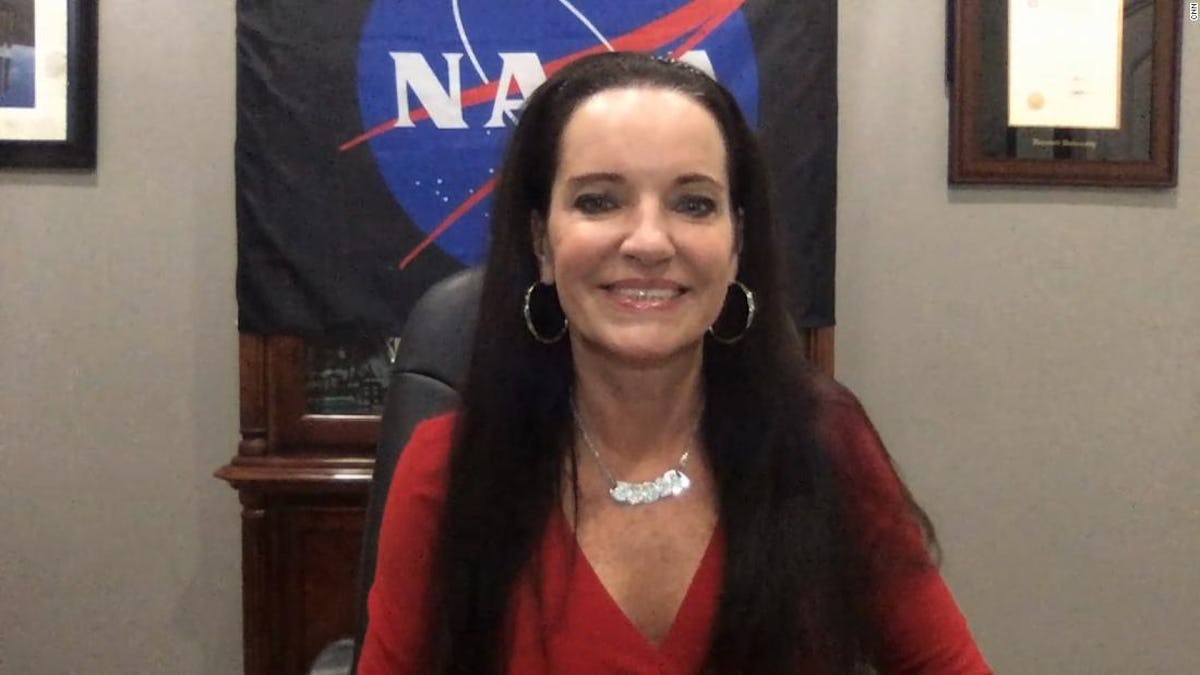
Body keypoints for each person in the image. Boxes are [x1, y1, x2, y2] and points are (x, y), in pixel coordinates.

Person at [358, 51, 991, 674]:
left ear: (736, 245)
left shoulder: (826, 445)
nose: (649, 242)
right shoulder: (447, 470)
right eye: (599, 201)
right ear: (541, 243)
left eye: (693, 204)